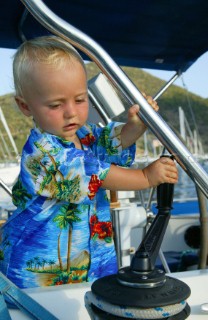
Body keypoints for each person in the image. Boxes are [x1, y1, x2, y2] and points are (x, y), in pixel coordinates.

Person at [0, 36, 178, 289]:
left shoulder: (85, 134)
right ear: (25, 106)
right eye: (55, 104)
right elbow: (97, 174)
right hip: (41, 272)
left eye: (80, 99)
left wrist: (134, 127)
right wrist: (146, 178)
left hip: (92, 261)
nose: (71, 112)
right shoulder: (42, 152)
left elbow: (110, 144)